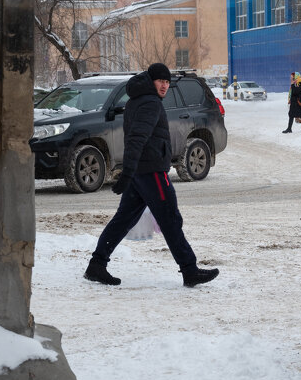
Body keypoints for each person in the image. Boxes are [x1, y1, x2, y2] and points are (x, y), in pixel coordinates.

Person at [84, 62, 219, 288]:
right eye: (160, 81)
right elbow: (137, 137)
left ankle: (96, 264)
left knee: (124, 219)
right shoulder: (150, 103)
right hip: (151, 171)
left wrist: (130, 171)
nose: (165, 86)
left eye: (167, 82)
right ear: (151, 80)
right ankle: (189, 270)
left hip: (141, 171)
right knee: (170, 219)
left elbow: (136, 137)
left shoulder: (137, 100)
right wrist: (127, 171)